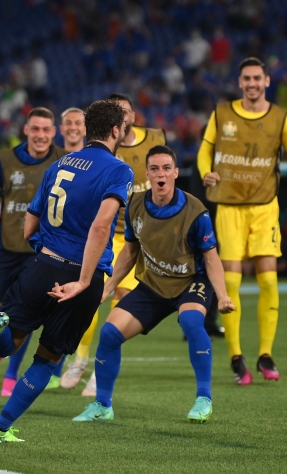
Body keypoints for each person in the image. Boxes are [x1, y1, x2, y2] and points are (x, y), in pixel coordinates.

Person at [0, 99, 133, 443]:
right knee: (48, 358)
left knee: (9, 345)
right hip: (82, 277)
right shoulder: (118, 169)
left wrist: (43, 251)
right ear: (115, 131)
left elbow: (29, 223)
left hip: (42, 264)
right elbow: (100, 227)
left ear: (85, 128)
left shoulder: (61, 162)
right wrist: (83, 281)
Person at [72, 145, 234, 424]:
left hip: (190, 283)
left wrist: (222, 296)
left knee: (193, 322)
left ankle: (203, 399)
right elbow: (129, 253)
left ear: (175, 173)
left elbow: (211, 258)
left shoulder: (196, 211)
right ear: (147, 173)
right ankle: (102, 406)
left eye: (166, 168)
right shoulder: (134, 204)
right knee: (109, 333)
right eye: (155, 169)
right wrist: (108, 288)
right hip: (153, 285)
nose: (161, 174)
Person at [196, 57, 287, 385]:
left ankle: (265, 354)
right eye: (247, 78)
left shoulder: (282, 118)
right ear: (240, 82)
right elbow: (205, 150)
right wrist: (206, 173)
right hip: (228, 208)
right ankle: (235, 356)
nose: (252, 83)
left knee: (269, 281)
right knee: (230, 283)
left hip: (264, 207)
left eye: (257, 78)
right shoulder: (222, 113)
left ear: (267, 81)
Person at [61, 93, 166, 395]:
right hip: (104, 233)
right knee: (93, 294)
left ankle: (98, 369)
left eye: (126, 111)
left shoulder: (155, 139)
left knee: (119, 293)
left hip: (136, 237)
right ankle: (79, 359)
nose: (122, 117)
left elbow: (166, 177)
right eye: (116, 112)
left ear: (133, 116)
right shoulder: (100, 150)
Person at [0, 108, 68, 395]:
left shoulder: (64, 160)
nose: (40, 135)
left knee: (24, 314)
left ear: (54, 132)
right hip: (5, 248)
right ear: (26, 130)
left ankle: (11, 374)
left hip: (41, 252)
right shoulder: (5, 160)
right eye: (35, 129)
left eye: (46, 130)